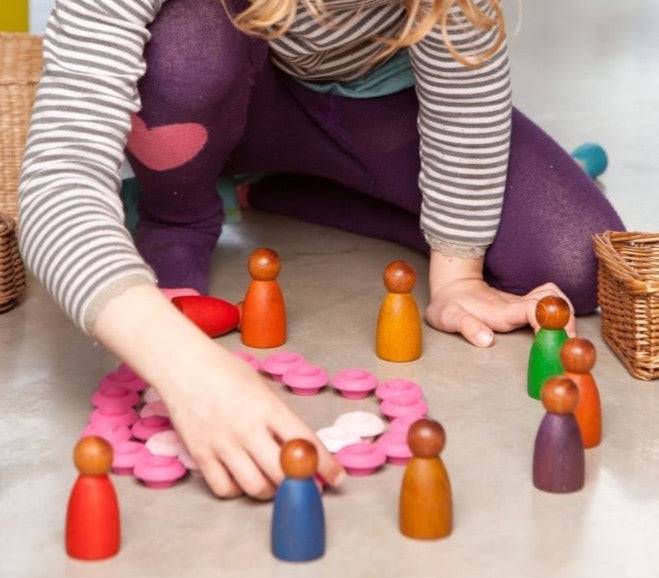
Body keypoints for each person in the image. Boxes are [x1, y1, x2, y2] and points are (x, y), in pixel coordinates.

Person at [18, 0, 624, 499]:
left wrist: (458, 272)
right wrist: (182, 366)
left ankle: (278, 189)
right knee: (188, 48)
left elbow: (466, 74)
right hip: (230, 105)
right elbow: (54, 182)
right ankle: (178, 216)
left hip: (373, 106)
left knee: (572, 260)